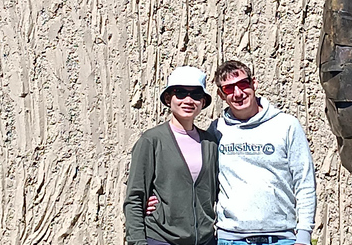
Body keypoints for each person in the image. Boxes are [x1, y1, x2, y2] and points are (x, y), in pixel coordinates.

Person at [148, 60, 317, 245]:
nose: (238, 93)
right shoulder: (217, 131)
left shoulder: (286, 125)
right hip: (230, 238)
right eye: (229, 89)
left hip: (281, 238)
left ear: (254, 83)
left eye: (243, 84)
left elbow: (305, 183)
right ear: (221, 95)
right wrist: (157, 202)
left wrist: (304, 235)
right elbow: (194, 176)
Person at [124, 66, 218, 245]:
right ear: (168, 98)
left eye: (196, 94)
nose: (188, 100)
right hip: (161, 239)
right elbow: (135, 197)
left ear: (203, 101)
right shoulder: (152, 140)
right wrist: (137, 241)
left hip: (205, 240)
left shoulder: (210, 143)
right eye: (180, 93)